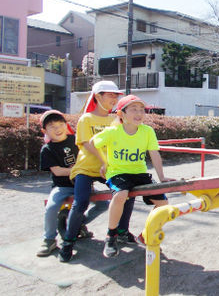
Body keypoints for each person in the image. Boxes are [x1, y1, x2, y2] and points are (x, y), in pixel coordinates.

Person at [58, 81, 136, 263]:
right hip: (86, 168)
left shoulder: (115, 120)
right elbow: (87, 144)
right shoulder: (86, 119)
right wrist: (104, 161)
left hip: (109, 168)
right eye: (110, 95)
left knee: (129, 193)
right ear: (98, 97)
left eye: (116, 95)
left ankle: (121, 231)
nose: (114, 98)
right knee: (81, 201)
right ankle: (68, 241)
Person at [88, 94, 172, 258]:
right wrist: (104, 162)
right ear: (121, 114)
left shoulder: (147, 131)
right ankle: (111, 236)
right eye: (133, 109)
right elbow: (92, 143)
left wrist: (162, 178)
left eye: (141, 110)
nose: (139, 113)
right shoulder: (113, 131)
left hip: (139, 173)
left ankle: (146, 234)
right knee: (120, 195)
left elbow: (154, 154)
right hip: (118, 172)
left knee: (163, 204)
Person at [37, 110, 79, 257]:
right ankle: (49, 239)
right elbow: (58, 171)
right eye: (52, 126)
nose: (58, 128)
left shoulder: (76, 140)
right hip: (62, 187)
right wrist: (78, 169)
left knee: (102, 205)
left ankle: (77, 224)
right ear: (45, 131)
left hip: (82, 184)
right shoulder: (47, 149)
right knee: (51, 207)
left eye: (61, 124)